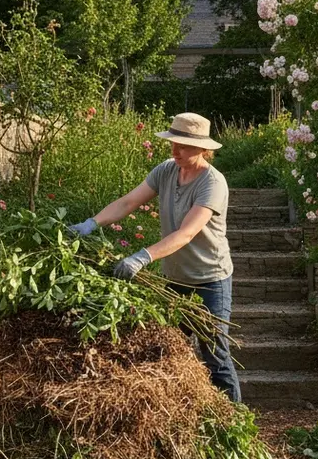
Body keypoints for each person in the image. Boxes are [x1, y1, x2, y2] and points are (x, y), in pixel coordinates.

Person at [68, 112, 241, 402]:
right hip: (173, 280)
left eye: (183, 146)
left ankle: (233, 422)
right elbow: (128, 201)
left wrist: (141, 257)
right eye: (173, 143)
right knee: (168, 350)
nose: (175, 150)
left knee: (215, 354)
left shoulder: (213, 183)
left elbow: (187, 233)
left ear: (203, 149)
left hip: (209, 280)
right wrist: (91, 223)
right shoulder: (166, 170)